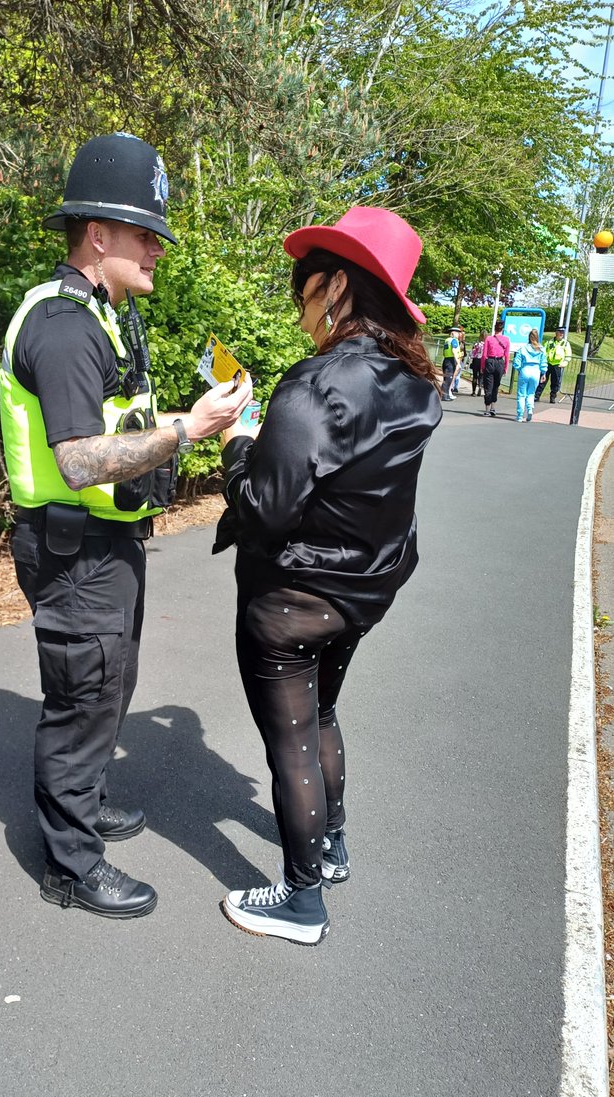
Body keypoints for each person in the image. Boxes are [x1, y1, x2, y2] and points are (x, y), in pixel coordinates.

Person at [0, 133, 253, 920]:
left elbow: (113, 424)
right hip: (73, 550)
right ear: (97, 235)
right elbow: (78, 462)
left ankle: (86, 799)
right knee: (82, 702)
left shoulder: (99, 316)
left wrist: (187, 413)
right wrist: (190, 430)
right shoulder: (66, 327)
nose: (158, 250)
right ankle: (71, 864)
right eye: (145, 234)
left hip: (102, 546)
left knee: (109, 686)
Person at [212, 206, 442, 945]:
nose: (300, 308)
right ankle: (332, 847)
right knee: (324, 716)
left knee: (292, 740)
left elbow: (265, 510)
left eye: (303, 290)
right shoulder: (415, 383)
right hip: (365, 591)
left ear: (337, 285)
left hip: (291, 599)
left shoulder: (314, 385)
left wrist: (239, 442)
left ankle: (302, 900)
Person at [512, 328, 547, 422]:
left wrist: (519, 369)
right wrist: (543, 373)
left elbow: (516, 362)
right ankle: (530, 409)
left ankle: (519, 415)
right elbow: (543, 363)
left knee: (521, 394)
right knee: (531, 393)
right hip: (536, 371)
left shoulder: (523, 348)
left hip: (525, 370)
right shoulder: (541, 349)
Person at [480, 318, 511, 417]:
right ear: (502, 329)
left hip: (490, 361)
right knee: (496, 386)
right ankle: (493, 407)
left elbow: (484, 354)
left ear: (494, 329)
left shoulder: (488, 339)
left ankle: (487, 409)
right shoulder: (506, 339)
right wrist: (506, 367)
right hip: (500, 363)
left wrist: (482, 366)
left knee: (488, 386)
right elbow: (507, 355)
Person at [535, 326, 572, 404]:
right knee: (542, 380)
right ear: (556, 332)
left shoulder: (565, 343)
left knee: (555, 382)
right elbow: (544, 352)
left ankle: (552, 397)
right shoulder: (549, 342)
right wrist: (543, 362)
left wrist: (564, 363)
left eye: (563, 332)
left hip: (557, 365)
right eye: (560, 332)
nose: (561, 334)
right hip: (548, 364)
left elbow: (568, 354)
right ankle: (537, 396)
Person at [441, 325, 463, 400]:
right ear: (453, 333)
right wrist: (458, 363)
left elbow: (444, 352)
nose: (458, 334)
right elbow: (454, 351)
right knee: (449, 378)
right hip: (451, 360)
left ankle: (445, 394)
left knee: (446, 378)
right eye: (457, 333)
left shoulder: (447, 340)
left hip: (446, 359)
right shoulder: (454, 340)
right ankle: (444, 395)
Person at [470, 331, 487, 395]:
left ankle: (473, 391)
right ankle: (480, 387)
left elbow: (472, 353)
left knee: (475, 376)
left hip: (476, 360)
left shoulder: (476, 344)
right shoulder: (486, 345)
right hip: (483, 360)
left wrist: (469, 361)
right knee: (481, 375)